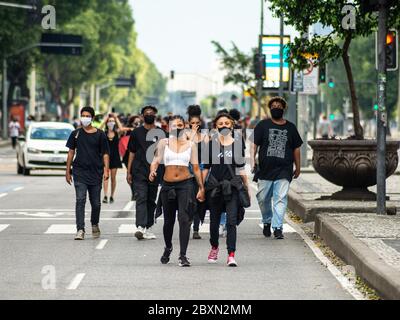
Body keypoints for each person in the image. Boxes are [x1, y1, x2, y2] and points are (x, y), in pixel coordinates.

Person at [150, 115, 205, 267]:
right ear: (169, 127)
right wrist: (152, 171)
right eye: (174, 125)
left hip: (186, 185)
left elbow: (195, 168)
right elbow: (155, 160)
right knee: (168, 222)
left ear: (185, 126)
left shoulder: (191, 145)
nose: (177, 127)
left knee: (184, 219)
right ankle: (168, 247)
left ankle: (183, 255)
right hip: (168, 186)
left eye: (180, 125)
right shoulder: (163, 142)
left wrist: (201, 188)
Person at [251, 96, 303, 240]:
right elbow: (254, 144)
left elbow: (296, 149)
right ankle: (267, 221)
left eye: (279, 106)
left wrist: (297, 167)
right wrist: (252, 160)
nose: (276, 108)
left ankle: (278, 227)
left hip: (284, 169)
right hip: (265, 170)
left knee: (280, 198)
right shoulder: (262, 125)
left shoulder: (291, 127)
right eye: (273, 105)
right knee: (262, 198)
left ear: (283, 109)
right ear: (270, 108)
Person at [202, 113, 249, 267]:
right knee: (214, 222)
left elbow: (241, 168)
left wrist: (246, 188)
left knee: (231, 222)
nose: (223, 126)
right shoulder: (210, 145)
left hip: (233, 188)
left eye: (226, 123)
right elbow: (206, 169)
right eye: (220, 123)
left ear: (232, 125)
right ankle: (214, 247)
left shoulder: (237, 144)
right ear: (216, 126)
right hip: (215, 188)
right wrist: (201, 188)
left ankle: (231, 254)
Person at [65, 106, 110, 240]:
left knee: (96, 203)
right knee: (80, 200)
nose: (85, 118)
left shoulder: (100, 134)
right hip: (79, 172)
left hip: (96, 172)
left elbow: (106, 154)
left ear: (92, 118)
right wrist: (67, 171)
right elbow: (71, 152)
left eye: (87, 116)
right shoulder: (75, 134)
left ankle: (94, 223)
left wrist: (106, 169)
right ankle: (80, 229)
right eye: (83, 115)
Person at [127, 106, 165, 240]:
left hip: (155, 171)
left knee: (151, 200)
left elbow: (164, 154)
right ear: (142, 116)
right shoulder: (136, 133)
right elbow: (131, 152)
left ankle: (148, 227)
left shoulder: (160, 132)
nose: (149, 115)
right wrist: (129, 171)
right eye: (146, 113)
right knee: (141, 197)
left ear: (155, 115)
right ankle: (140, 227)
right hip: (139, 171)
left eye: (151, 113)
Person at [185, 105, 209, 240]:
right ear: (189, 123)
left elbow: (207, 154)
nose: (195, 125)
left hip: (201, 169)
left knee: (199, 200)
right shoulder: (185, 134)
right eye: (192, 123)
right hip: (187, 169)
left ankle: (196, 228)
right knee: (188, 200)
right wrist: (192, 133)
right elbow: (187, 146)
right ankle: (187, 224)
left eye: (197, 123)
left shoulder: (205, 136)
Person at [100, 113, 131, 204]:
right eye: (109, 121)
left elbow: (121, 129)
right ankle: (105, 195)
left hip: (115, 157)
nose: (111, 123)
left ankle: (112, 195)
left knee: (113, 178)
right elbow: (99, 128)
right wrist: (105, 119)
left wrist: (116, 118)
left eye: (112, 121)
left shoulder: (117, 132)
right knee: (105, 176)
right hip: (105, 157)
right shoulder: (103, 133)